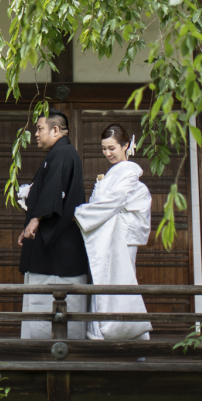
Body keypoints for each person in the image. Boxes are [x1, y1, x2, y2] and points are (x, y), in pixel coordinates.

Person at [74, 122, 152, 341]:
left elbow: (111, 203)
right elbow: (106, 205)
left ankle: (127, 335)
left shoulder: (128, 173)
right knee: (102, 282)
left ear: (126, 146)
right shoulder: (114, 174)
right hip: (108, 236)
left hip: (121, 238)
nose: (108, 153)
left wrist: (80, 213)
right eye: (104, 149)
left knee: (120, 284)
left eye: (112, 148)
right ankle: (101, 334)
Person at [17, 110, 89, 340]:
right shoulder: (60, 154)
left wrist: (36, 219)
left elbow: (53, 193)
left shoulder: (63, 154)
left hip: (57, 250)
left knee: (50, 301)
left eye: (39, 129)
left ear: (55, 130)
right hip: (54, 246)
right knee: (43, 301)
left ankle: (50, 350)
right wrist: (30, 223)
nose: (35, 134)